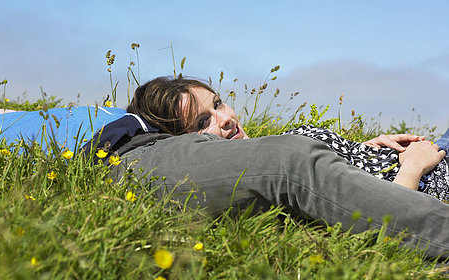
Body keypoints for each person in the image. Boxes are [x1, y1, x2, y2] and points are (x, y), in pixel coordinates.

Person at [103, 77, 449, 258]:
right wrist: (412, 168)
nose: (225, 120)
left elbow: (337, 170)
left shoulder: (274, 140)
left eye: (219, 104)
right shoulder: (264, 184)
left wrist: (367, 147)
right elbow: (385, 218)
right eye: (202, 122)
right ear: (191, 142)